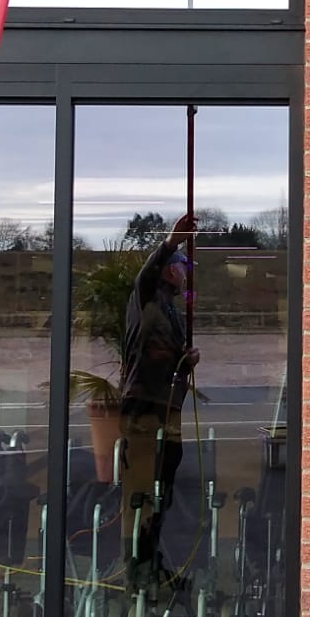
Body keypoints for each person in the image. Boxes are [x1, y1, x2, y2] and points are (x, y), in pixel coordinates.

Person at [116, 212, 198, 570]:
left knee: (163, 486)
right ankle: (135, 562)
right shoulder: (147, 299)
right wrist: (171, 242)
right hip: (143, 407)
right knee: (142, 490)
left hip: (166, 408)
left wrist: (186, 361)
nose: (186, 274)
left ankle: (151, 559)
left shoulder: (172, 313)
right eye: (182, 267)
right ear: (168, 271)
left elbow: (170, 361)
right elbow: (145, 275)